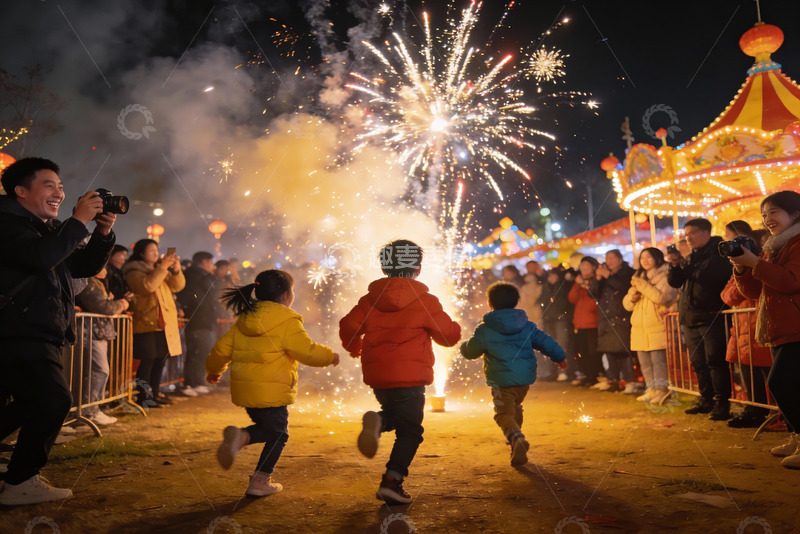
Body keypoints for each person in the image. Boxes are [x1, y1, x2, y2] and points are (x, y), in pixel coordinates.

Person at [0, 157, 116, 505]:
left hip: (36, 328)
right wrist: (78, 221)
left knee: (30, 402)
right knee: (53, 400)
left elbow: (83, 265)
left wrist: (101, 232)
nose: (60, 193)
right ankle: (21, 481)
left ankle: (20, 478)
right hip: (21, 329)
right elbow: (39, 258)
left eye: (61, 187)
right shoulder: (7, 223)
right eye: (49, 185)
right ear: (20, 191)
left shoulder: (46, 230)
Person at [339, 239, 461, 505]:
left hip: (379, 376)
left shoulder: (369, 299)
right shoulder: (425, 300)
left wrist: (354, 346)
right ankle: (392, 481)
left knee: (398, 416)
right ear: (417, 267)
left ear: (384, 266)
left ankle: (380, 422)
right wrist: (456, 327)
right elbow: (448, 336)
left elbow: (348, 326)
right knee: (411, 431)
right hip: (411, 378)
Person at [206, 270, 339, 495]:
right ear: (286, 295)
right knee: (279, 434)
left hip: (247, 391)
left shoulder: (245, 319)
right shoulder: (287, 320)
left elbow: (221, 349)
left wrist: (213, 371)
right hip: (272, 392)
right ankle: (258, 475)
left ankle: (248, 447)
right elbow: (306, 351)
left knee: (269, 430)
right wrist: (329, 356)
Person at [460, 282, 566, 466]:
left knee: (502, 413)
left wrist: (463, 346)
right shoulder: (527, 325)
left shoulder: (485, 328)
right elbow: (545, 342)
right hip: (524, 379)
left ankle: (516, 438)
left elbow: (471, 351)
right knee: (515, 406)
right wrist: (560, 356)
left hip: (501, 381)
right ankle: (516, 439)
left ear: (490, 303)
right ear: (516, 302)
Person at [730, 191, 800, 468]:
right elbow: (754, 291)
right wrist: (742, 268)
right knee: (788, 384)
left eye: (773, 212)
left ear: (794, 213)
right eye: (763, 214)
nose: (767, 219)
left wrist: (756, 264)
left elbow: (791, 281)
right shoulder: (775, 247)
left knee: (780, 382)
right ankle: (796, 436)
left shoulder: (796, 244)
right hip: (781, 325)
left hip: (796, 324)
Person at [668, 218, 732, 420]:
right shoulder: (692, 257)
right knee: (699, 362)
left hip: (711, 316)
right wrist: (675, 265)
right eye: (686, 235)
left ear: (706, 232)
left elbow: (711, 279)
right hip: (690, 317)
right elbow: (675, 282)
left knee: (715, 361)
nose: (688, 238)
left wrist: (687, 259)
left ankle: (722, 404)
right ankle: (706, 399)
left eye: (692, 233)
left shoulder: (718, 253)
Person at [720, 221, 773, 428]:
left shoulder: (760, 266)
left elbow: (737, 293)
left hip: (756, 326)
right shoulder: (743, 266)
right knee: (748, 372)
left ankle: (770, 412)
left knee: (768, 375)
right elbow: (726, 295)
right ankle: (755, 409)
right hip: (743, 328)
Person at [123, 239, 186, 407]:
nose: (155, 253)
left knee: (160, 359)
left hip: (163, 322)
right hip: (145, 321)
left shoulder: (158, 269)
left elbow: (178, 286)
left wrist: (176, 270)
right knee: (148, 359)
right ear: (141, 253)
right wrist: (162, 268)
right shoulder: (134, 270)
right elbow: (147, 287)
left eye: (156, 249)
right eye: (150, 250)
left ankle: (155, 394)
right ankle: (144, 397)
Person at [75, 265, 130, 426]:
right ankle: (90, 411)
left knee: (97, 371)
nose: (106, 268)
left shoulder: (96, 282)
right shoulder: (89, 282)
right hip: (91, 331)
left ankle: (91, 410)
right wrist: (122, 304)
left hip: (96, 331)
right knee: (99, 370)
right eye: (103, 264)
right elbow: (103, 307)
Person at [623, 248, 677, 405]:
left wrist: (643, 287)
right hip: (640, 326)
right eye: (642, 258)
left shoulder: (665, 275)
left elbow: (662, 298)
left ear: (657, 258)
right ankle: (651, 389)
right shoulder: (638, 278)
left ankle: (662, 390)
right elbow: (626, 305)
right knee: (645, 363)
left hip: (656, 324)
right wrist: (632, 298)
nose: (645, 260)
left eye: (649, 257)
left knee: (658, 361)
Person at [177, 251, 222, 397]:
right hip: (197, 320)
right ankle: (189, 383)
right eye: (210, 262)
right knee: (195, 353)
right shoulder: (193, 276)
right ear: (203, 262)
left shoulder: (205, 277)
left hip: (206, 319)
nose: (213, 266)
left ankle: (197, 381)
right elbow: (189, 298)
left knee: (203, 353)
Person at [590, 250, 635, 393]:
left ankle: (629, 381)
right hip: (606, 318)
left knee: (623, 350)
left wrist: (608, 276)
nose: (609, 261)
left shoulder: (628, 273)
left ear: (620, 259)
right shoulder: (603, 275)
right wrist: (597, 278)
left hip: (621, 317)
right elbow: (592, 293)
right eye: (607, 258)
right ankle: (613, 380)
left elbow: (623, 288)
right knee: (609, 350)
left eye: (612, 258)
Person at [539, 266, 576, 382]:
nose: (551, 278)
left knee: (561, 345)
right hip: (549, 320)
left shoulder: (563, 286)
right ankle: (553, 372)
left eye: (554, 275)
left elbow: (565, 303)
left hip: (561, 320)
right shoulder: (546, 287)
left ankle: (564, 371)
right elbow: (542, 301)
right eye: (550, 275)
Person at [568, 257, 601, 387]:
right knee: (582, 351)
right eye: (582, 266)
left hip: (593, 322)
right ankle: (587, 375)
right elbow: (572, 299)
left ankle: (594, 376)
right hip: (580, 323)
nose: (584, 268)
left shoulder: (597, 281)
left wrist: (586, 286)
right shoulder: (578, 283)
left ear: (593, 267)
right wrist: (577, 285)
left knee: (593, 351)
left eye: (587, 265)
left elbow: (596, 300)